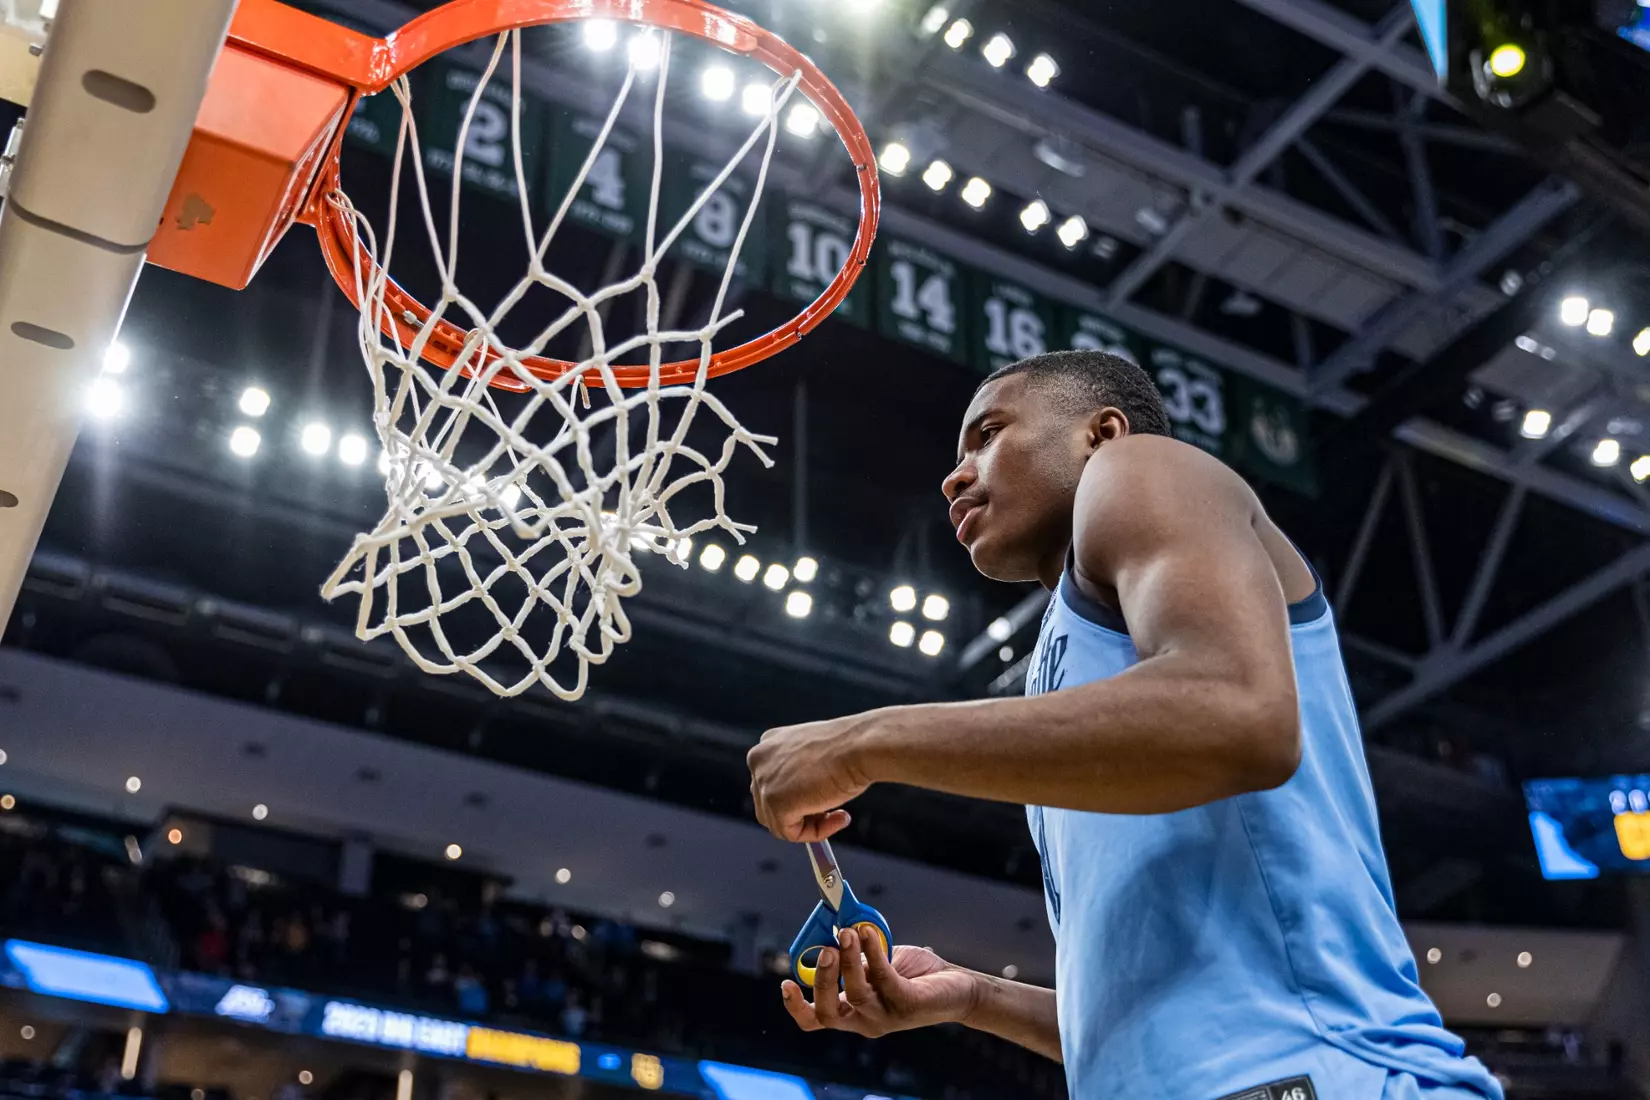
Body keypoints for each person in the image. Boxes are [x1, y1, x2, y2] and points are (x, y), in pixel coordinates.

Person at [746, 351, 1503, 1100]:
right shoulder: (1078, 675)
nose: (955, 473)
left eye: (989, 434)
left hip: (1327, 1074)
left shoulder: (1143, 468)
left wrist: (863, 741)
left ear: (1099, 433)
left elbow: (1240, 718)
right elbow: (1171, 1016)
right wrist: (970, 997)